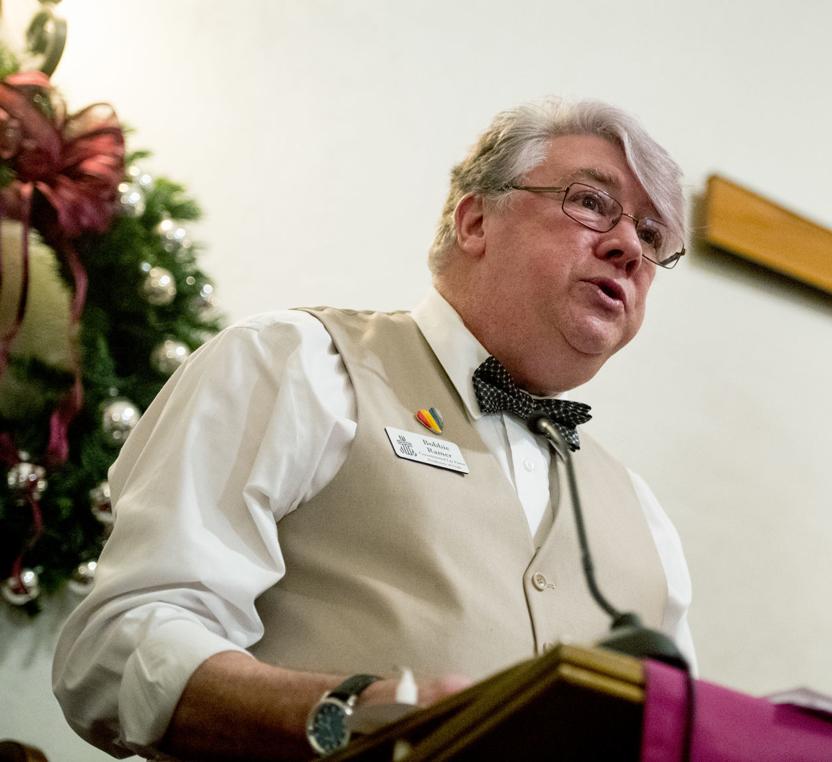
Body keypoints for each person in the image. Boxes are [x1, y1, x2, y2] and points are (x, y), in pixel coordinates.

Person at [52, 98, 694, 759]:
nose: (628, 249)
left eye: (652, 236)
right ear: (476, 221)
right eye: (590, 202)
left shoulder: (644, 519)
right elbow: (119, 648)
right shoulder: (295, 363)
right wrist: (347, 715)